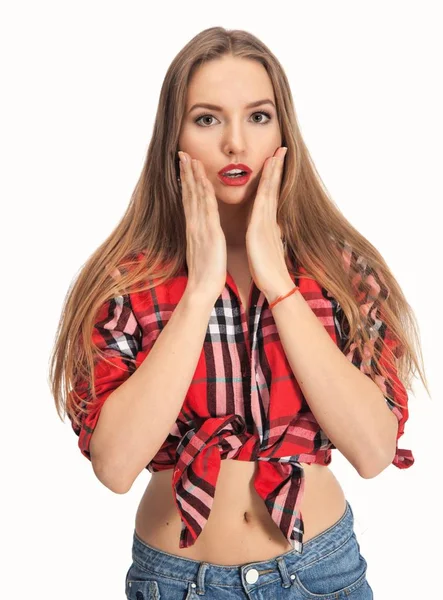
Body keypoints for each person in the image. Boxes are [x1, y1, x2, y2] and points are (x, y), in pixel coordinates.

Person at [50, 27, 428, 600]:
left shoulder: (342, 272)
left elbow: (374, 452)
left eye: (258, 116)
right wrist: (200, 289)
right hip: (178, 584)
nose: (235, 143)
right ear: (173, 135)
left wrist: (278, 282)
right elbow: (116, 467)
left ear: (284, 130)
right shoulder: (126, 283)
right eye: (206, 119)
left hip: (319, 575)